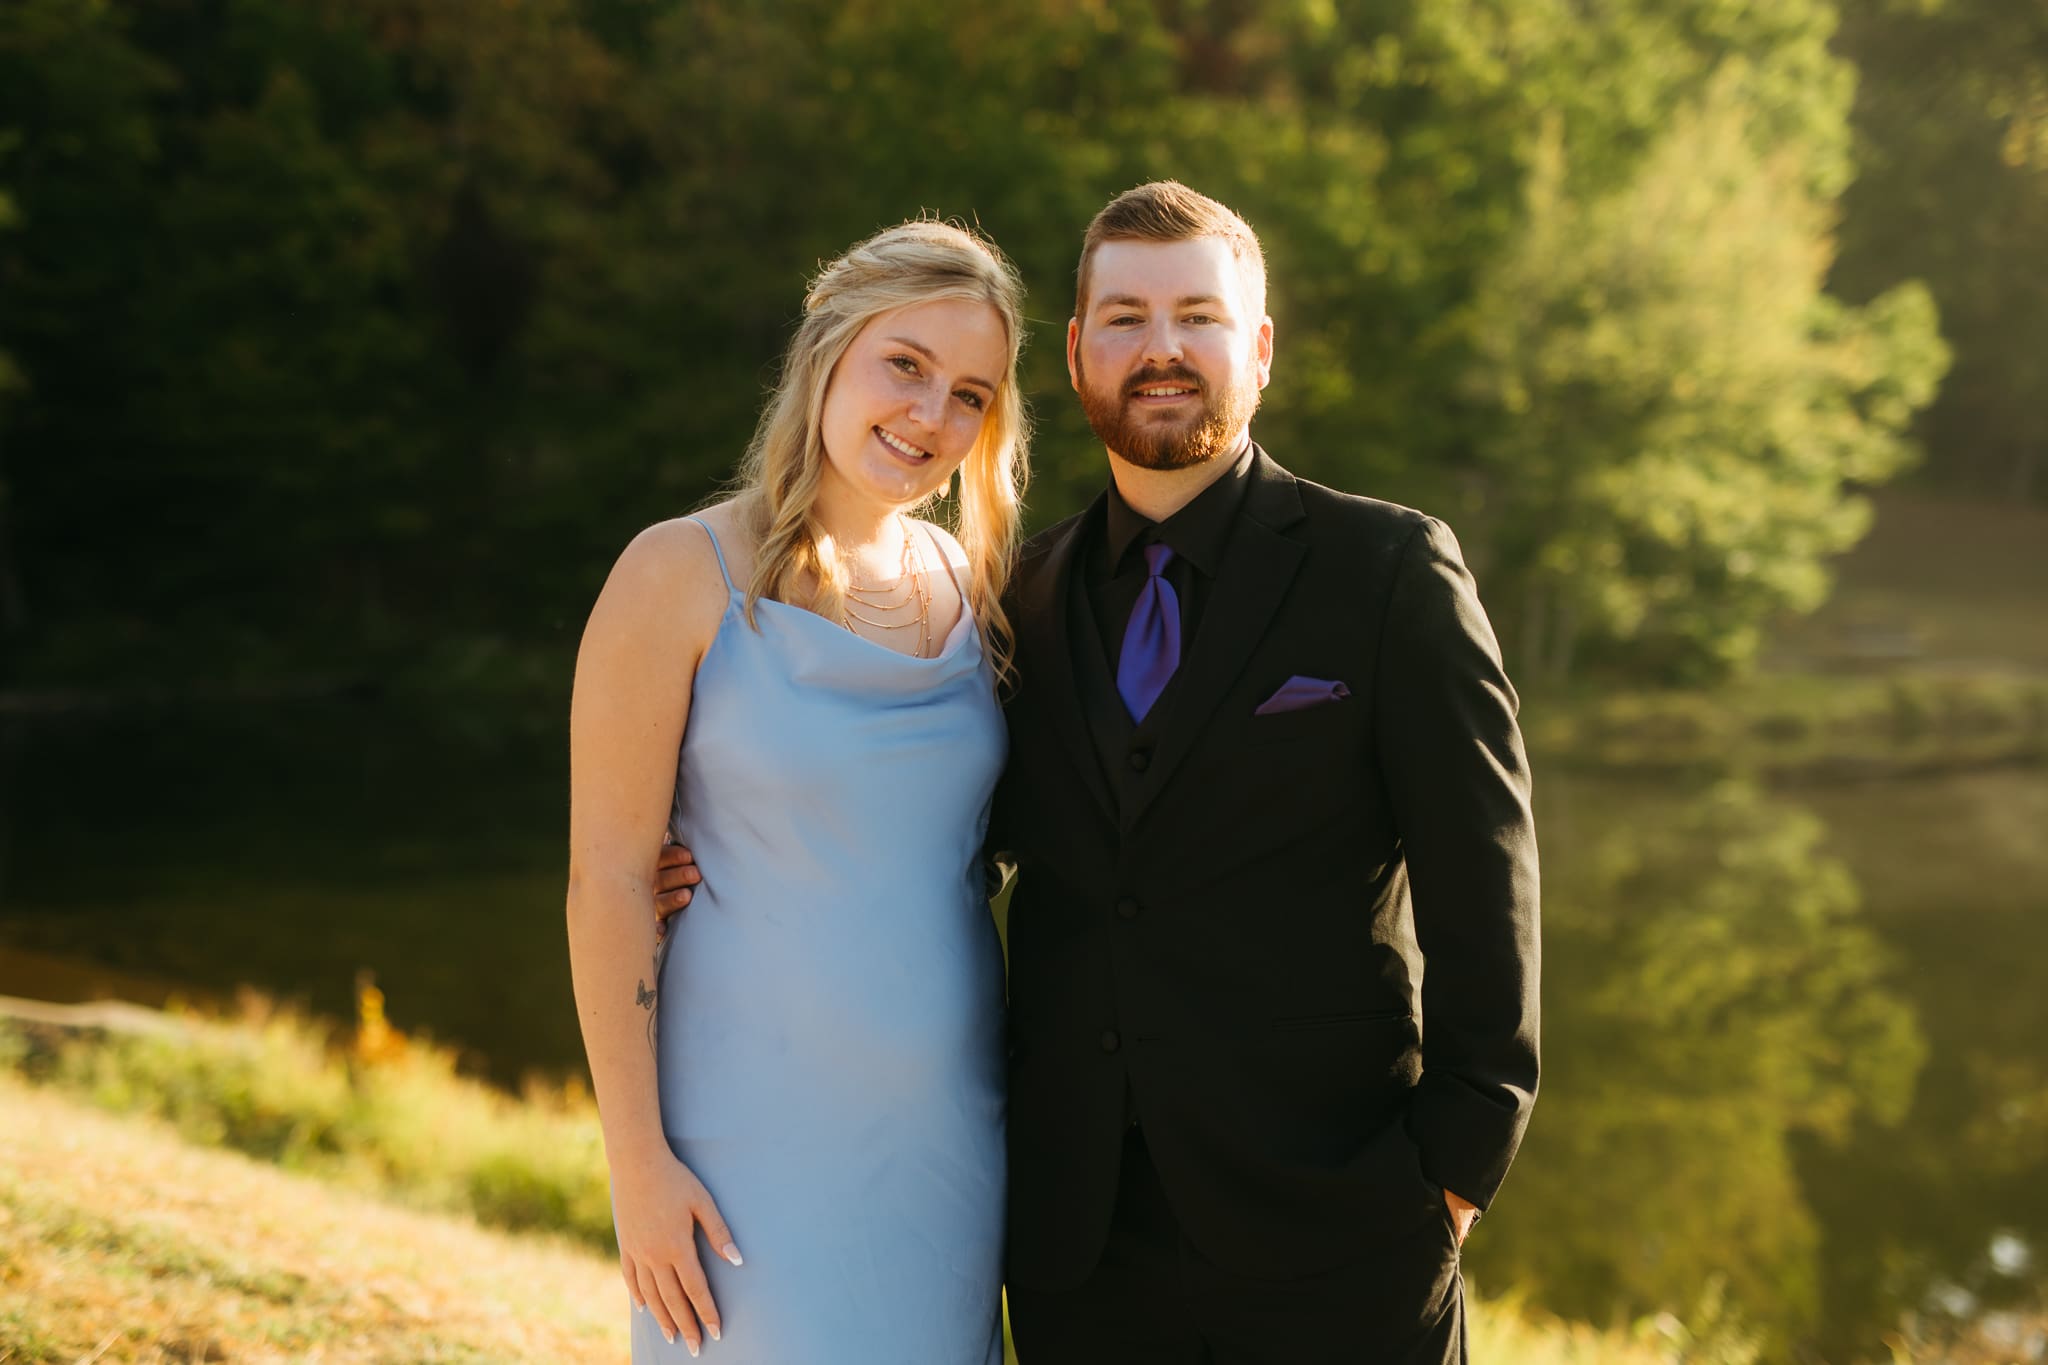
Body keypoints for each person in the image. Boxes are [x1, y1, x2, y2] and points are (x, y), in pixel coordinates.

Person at [658, 181, 1539, 1365]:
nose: (1160, 347)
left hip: (1340, 1229)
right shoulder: (1017, 599)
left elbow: (1485, 878)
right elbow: (935, 835)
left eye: (1197, 317)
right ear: (1076, 357)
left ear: (1257, 348)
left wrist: (1456, 1168)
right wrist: (720, 857)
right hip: (1078, 1250)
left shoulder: (1386, 571)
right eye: (1125, 318)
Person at [565, 218, 1030, 1363]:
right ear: (827, 348)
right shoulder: (676, 573)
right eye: (904, 365)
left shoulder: (975, 589)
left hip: (948, 1146)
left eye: (968, 395)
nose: (929, 415)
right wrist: (636, 1166)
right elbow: (608, 879)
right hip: (746, 1145)